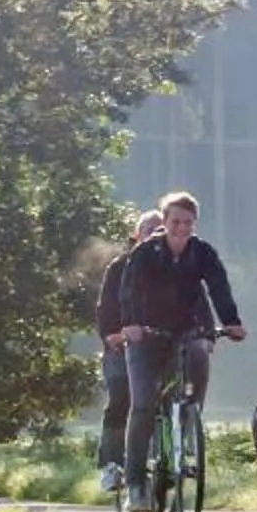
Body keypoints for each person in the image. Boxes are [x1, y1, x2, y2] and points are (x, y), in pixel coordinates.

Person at [114, 191, 247, 512]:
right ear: (164, 221)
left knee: (200, 353)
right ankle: (135, 485)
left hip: (187, 331)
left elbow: (218, 287)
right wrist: (131, 324)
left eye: (188, 222)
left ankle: (187, 419)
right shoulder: (146, 253)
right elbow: (128, 291)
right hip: (146, 336)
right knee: (144, 404)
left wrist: (231, 322)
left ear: (195, 223)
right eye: (175, 221)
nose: (181, 228)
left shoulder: (202, 253)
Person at [94, 210, 160, 497]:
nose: (155, 235)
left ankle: (168, 459)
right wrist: (112, 335)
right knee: (121, 397)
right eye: (149, 230)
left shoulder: (172, 265)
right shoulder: (120, 266)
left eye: (160, 230)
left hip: (158, 345)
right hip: (122, 345)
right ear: (137, 235)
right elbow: (106, 307)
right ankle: (111, 464)